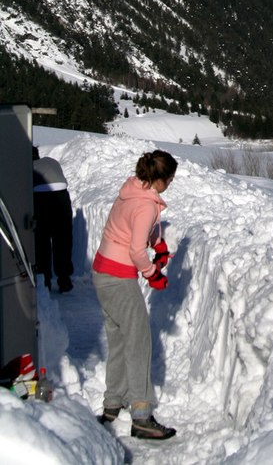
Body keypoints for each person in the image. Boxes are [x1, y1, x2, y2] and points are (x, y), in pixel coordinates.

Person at [92, 150, 178, 441]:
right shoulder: (146, 206)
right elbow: (135, 250)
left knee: (118, 339)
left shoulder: (132, 190)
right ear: (162, 179)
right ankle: (141, 415)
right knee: (139, 342)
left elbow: (134, 231)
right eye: (170, 178)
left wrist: (159, 244)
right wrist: (152, 273)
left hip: (102, 272)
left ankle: (112, 404)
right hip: (118, 277)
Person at [32, 146, 74, 292]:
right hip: (62, 196)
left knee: (42, 239)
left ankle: (45, 279)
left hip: (40, 199)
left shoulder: (28, 167)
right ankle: (64, 279)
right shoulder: (51, 161)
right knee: (62, 239)